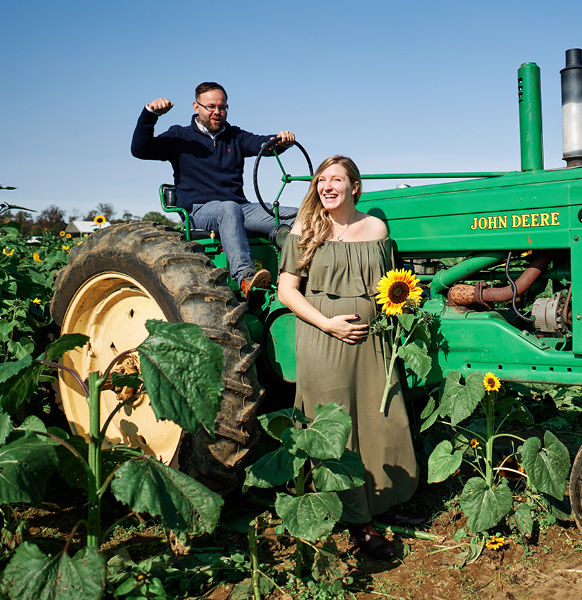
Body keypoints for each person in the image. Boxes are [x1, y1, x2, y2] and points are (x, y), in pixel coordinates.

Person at [277, 155, 422, 560]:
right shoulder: (307, 228)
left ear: (354, 186)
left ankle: (383, 501)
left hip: (373, 338)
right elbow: (287, 291)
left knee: (380, 417)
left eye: (335, 179)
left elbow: (390, 283)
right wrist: (328, 324)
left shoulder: (375, 227)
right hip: (324, 337)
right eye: (320, 180)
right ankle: (358, 521)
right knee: (335, 421)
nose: (326, 186)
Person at [131, 81, 298, 298]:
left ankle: (297, 278)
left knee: (297, 215)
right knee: (228, 209)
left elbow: (263, 145)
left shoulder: (235, 136)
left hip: (240, 209)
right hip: (199, 212)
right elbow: (140, 149)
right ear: (196, 106)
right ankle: (246, 278)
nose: (217, 112)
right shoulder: (179, 136)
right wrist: (150, 114)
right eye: (211, 107)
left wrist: (280, 141)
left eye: (222, 107)